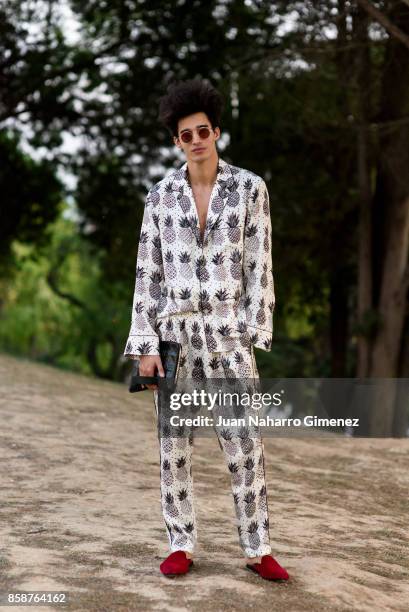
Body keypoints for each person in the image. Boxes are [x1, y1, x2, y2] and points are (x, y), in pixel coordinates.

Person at [124, 78, 289, 581]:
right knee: (173, 444)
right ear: (176, 141)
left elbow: (260, 264)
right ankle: (181, 543)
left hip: (228, 334)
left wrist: (249, 331)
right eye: (185, 134)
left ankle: (258, 549)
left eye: (203, 131)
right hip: (174, 335)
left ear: (216, 132)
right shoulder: (160, 196)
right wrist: (146, 345)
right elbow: (147, 272)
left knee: (245, 444)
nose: (195, 140)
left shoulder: (249, 189)